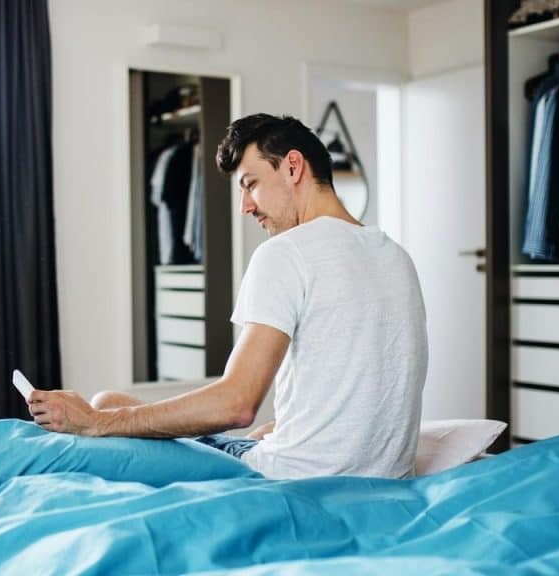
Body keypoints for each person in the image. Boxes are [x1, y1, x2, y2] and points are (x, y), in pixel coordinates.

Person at [29, 113, 428, 480]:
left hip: (293, 479)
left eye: (250, 184)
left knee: (107, 402)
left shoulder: (287, 253)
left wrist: (96, 422)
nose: (245, 206)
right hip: (383, 477)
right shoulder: (394, 255)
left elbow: (236, 404)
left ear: (293, 166)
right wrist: (294, 425)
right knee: (122, 406)